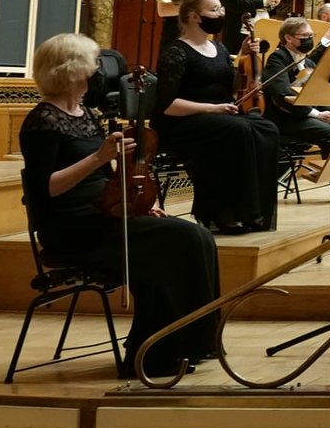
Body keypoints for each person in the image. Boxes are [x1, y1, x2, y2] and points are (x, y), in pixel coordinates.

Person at [19, 33, 220, 378]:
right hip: (71, 226)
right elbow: (46, 189)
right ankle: (154, 353)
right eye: (93, 64)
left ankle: (192, 342)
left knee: (195, 236)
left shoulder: (85, 113)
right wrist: (99, 157)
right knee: (174, 241)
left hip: (103, 213)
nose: (99, 72)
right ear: (71, 70)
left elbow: (109, 180)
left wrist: (138, 205)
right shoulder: (42, 121)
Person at [153, 0, 283, 234]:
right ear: (193, 16)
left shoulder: (220, 48)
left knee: (267, 128)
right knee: (238, 130)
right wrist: (212, 108)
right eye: (214, 10)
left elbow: (230, 89)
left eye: (221, 9)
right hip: (183, 120)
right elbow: (167, 104)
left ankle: (254, 212)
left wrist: (245, 58)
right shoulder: (176, 52)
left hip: (219, 114)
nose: (221, 14)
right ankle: (220, 213)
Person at [260, 17, 330, 204]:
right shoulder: (278, 59)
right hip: (287, 120)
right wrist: (317, 114)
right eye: (305, 36)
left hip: (309, 118)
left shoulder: (309, 64)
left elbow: (322, 92)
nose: (309, 39)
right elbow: (282, 94)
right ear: (288, 38)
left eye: (311, 36)